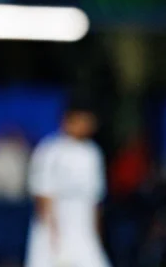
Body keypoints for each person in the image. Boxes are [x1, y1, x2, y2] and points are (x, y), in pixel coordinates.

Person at [25, 102, 110, 267]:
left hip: (84, 230)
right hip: (56, 228)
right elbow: (43, 195)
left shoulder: (92, 153)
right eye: (81, 120)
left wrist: (96, 234)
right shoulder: (50, 150)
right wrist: (52, 236)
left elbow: (95, 200)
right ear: (67, 121)